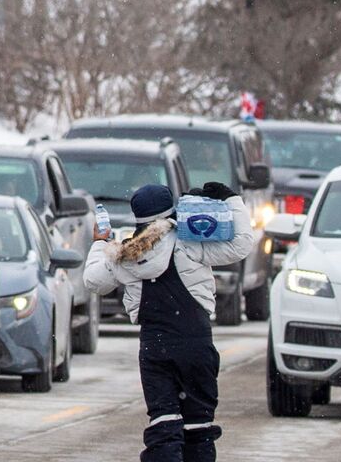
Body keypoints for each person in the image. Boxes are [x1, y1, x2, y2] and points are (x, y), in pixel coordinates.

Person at [82, 182, 258, 462]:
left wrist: (100, 242)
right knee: (199, 427)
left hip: (155, 348)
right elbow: (241, 244)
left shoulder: (124, 256)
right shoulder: (190, 242)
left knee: (164, 425)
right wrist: (232, 199)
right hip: (196, 345)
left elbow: (92, 280)